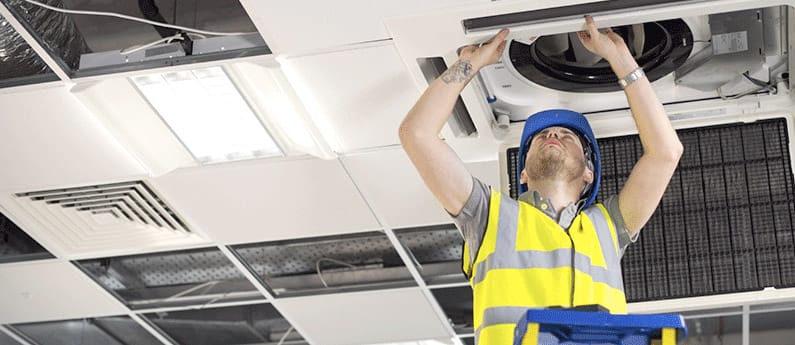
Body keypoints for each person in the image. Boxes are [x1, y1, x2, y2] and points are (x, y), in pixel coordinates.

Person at [398, 16, 683, 345]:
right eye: (543, 137)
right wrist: (468, 65)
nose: (553, 135)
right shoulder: (488, 216)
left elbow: (666, 152)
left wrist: (622, 57)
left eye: (566, 136)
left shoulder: (608, 227)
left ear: (588, 174)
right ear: (523, 174)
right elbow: (416, 135)